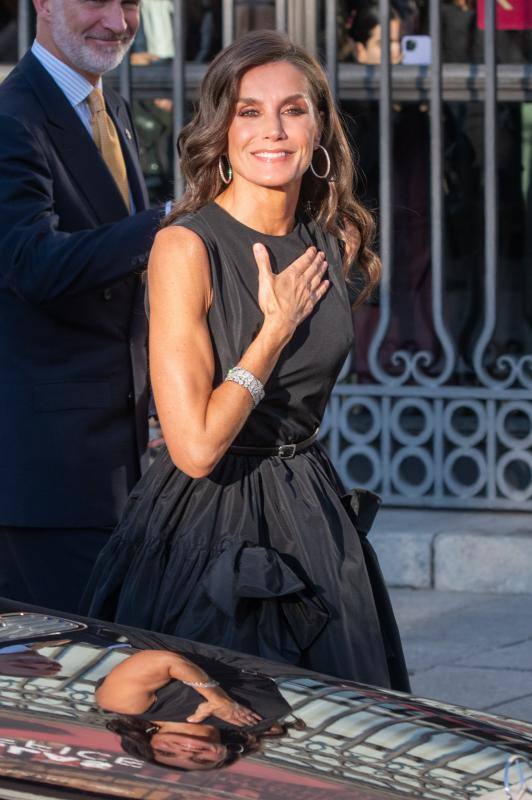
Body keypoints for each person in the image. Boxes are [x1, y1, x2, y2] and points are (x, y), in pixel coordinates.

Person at [84, 30, 410, 692]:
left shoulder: (335, 239)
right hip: (208, 530)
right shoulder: (186, 247)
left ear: (319, 128)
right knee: (218, 746)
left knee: (334, 745)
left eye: (293, 109)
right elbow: (195, 448)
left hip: (314, 513)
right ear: (221, 130)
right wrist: (274, 328)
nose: (275, 129)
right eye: (249, 110)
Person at [0, 0, 161, 613]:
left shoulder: (110, 107)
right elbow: (31, 265)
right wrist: (161, 225)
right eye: (97, 0)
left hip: (114, 466)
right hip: (46, 480)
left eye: (130, 3)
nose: (118, 23)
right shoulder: (13, 117)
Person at [96, 648, 295, 770]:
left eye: (167, 753)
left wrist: (217, 699)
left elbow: (162, 660)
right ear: (223, 753)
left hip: (198, 619)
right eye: (202, 760)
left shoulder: (126, 704)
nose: (188, 752)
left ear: (148, 740)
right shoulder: (255, 723)